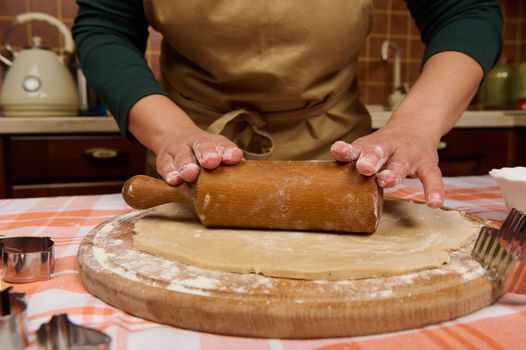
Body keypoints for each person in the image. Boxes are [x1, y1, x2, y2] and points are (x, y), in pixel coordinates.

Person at [73, 0, 502, 208]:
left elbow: (463, 11)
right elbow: (106, 26)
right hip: (194, 160)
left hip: (343, 160)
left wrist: (417, 125)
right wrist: (168, 131)